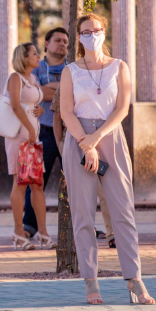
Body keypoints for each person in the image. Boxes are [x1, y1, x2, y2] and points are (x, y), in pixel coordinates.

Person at [59, 13, 155, 305]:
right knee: (83, 215)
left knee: (123, 211)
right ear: (79, 37)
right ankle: (91, 281)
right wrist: (85, 144)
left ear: (104, 31)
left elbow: (122, 108)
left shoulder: (119, 67)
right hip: (78, 139)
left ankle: (135, 280)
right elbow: (66, 111)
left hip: (110, 136)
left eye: (97, 30)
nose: (92, 35)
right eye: (86, 32)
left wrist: (96, 139)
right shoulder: (70, 71)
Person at [51, 83, 116, 248]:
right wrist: (60, 143)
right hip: (74, 144)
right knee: (80, 194)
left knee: (105, 190)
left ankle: (112, 233)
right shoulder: (68, 81)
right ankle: (84, 236)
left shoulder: (104, 80)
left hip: (102, 143)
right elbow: (58, 116)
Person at [4, 43, 55, 251]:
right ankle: (18, 232)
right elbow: (15, 106)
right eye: (34, 53)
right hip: (20, 137)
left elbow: (33, 102)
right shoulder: (15, 78)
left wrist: (40, 110)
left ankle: (43, 232)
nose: (38, 56)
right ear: (24, 58)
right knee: (20, 183)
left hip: (33, 138)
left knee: (37, 184)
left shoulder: (32, 79)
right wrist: (31, 129)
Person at [22, 28, 69, 238]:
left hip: (70, 132)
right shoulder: (36, 67)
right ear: (47, 44)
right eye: (58, 40)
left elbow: (73, 93)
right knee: (36, 181)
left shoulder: (73, 68)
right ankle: (29, 226)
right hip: (42, 131)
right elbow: (34, 93)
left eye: (65, 41)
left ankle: (81, 226)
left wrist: (48, 89)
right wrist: (62, 89)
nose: (62, 44)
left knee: (77, 181)